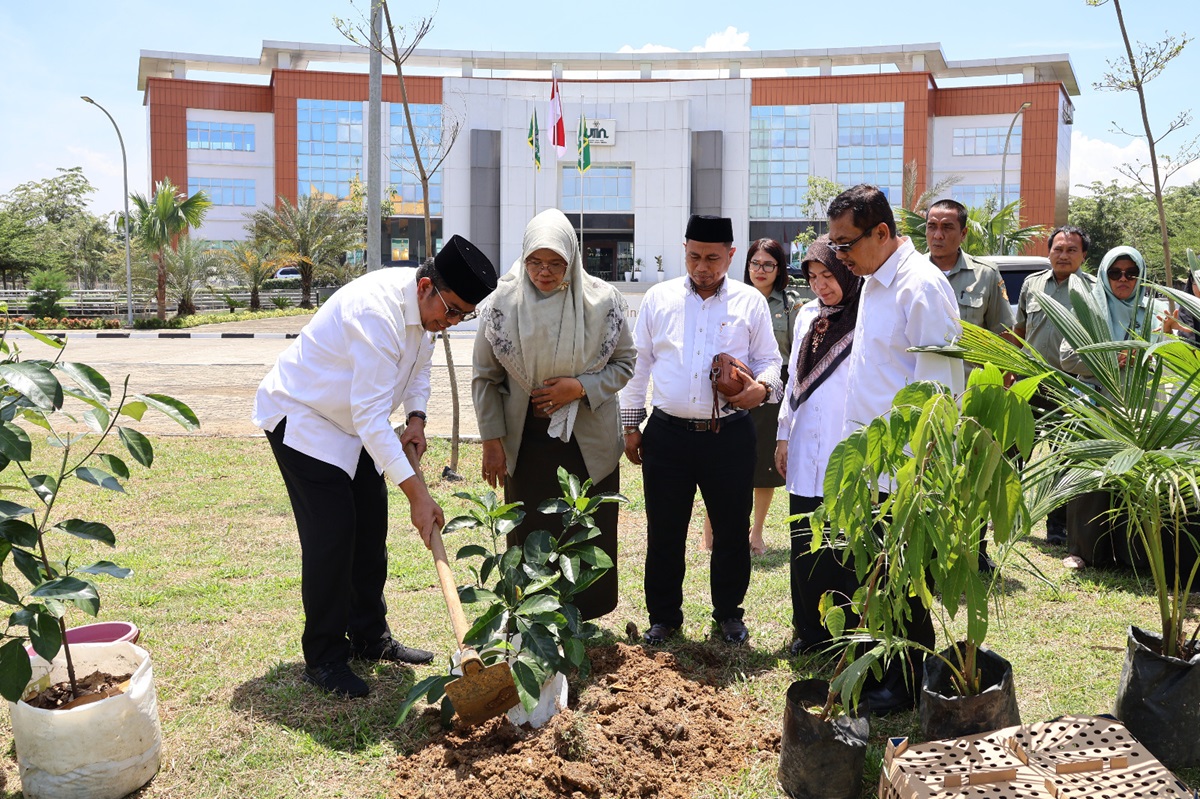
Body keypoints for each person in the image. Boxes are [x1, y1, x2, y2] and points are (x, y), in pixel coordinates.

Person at [253, 235, 498, 699]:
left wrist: (417, 418)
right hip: (305, 417)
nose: (450, 324)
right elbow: (368, 416)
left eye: (462, 316)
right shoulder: (376, 311)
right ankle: (324, 657)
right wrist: (419, 496)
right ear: (426, 285)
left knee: (370, 527)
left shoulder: (428, 315)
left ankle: (370, 637)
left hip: (355, 423)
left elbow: (418, 368)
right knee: (333, 537)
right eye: (450, 311)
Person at [827, 184, 963, 714]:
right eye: (834, 245)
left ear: (881, 233)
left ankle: (904, 684)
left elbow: (939, 391)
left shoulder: (920, 288)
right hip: (872, 463)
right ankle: (884, 670)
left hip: (906, 468)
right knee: (878, 574)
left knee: (905, 578)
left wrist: (920, 473)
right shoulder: (875, 282)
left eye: (846, 244)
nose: (840, 256)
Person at [620, 214, 782, 647]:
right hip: (667, 436)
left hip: (728, 435)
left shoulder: (750, 303)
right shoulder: (659, 298)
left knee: (731, 529)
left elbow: (771, 362)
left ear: (731, 254)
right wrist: (631, 425)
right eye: (694, 256)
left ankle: (729, 614)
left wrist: (761, 389)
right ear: (684, 251)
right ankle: (664, 617)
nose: (702, 266)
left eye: (713, 257)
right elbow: (639, 367)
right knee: (665, 529)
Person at [473, 208, 636, 620]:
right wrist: (492, 441)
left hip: (588, 441)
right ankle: (533, 618)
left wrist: (578, 388)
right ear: (523, 257)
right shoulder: (500, 306)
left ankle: (584, 619)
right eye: (535, 262)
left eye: (555, 263)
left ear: (573, 260)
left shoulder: (602, 302)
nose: (544, 273)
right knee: (530, 531)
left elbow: (625, 363)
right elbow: (485, 378)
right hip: (525, 441)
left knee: (586, 528)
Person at [773, 237, 863, 657]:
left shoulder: (866, 315)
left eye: (828, 275)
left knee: (843, 543)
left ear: (847, 270)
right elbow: (794, 378)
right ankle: (809, 630)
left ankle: (847, 633)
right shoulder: (808, 314)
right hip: (805, 443)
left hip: (846, 445)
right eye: (812, 277)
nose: (821, 286)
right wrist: (782, 433)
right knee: (805, 543)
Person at [925, 197, 1017, 572]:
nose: (938, 234)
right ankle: (929, 548)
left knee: (973, 475)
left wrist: (1001, 386)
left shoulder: (985, 275)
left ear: (963, 233)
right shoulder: (911, 273)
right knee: (929, 470)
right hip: (925, 395)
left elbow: (1004, 336)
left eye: (947, 227)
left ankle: (974, 551)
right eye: (932, 226)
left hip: (972, 396)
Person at [701, 238, 804, 556]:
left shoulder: (790, 303)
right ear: (746, 266)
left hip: (773, 388)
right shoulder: (729, 298)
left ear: (779, 269)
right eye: (755, 263)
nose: (761, 270)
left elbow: (795, 352)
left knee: (762, 467)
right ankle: (711, 532)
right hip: (728, 387)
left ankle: (756, 534)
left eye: (768, 264)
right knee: (719, 463)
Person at [1058, 245, 1155, 571]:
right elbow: (1068, 358)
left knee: (1135, 482)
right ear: (1104, 275)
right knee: (1090, 483)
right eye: (1115, 273)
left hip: (1141, 409)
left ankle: (1134, 556)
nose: (1123, 279)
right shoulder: (1090, 309)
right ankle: (1083, 551)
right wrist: (1111, 360)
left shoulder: (1151, 313)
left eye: (1131, 273)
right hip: (1097, 406)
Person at [1014, 225, 1095, 546]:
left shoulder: (1092, 289)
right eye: (1058, 249)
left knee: (1063, 457)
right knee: (1015, 451)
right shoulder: (1031, 285)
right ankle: (1009, 514)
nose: (1063, 255)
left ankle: (1056, 525)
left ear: (1084, 256)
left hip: (1072, 386)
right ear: (1048, 251)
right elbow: (1020, 330)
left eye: (1071, 250)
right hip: (1029, 382)